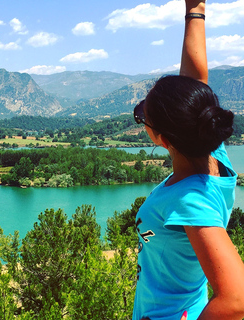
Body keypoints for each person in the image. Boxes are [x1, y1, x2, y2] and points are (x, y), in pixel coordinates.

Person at [132, 0, 244, 319]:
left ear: (162, 138)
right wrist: (195, 8)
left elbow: (237, 299)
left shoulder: (190, 200)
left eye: (143, 116)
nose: (142, 117)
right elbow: (195, 82)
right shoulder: (212, 155)